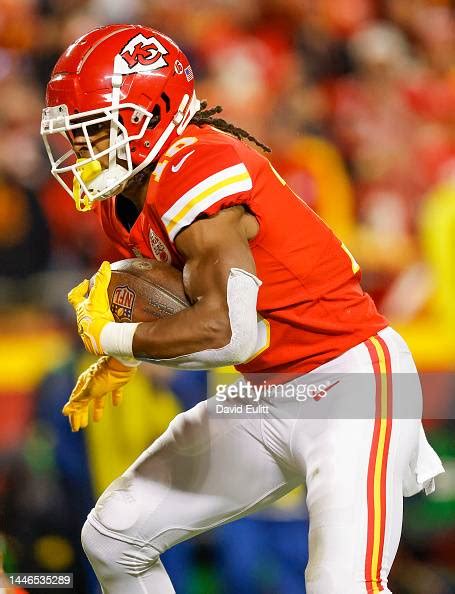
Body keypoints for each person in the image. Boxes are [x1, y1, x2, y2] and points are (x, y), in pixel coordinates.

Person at [41, 24, 444, 594]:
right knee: (114, 538)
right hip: (265, 391)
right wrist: (128, 354)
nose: (80, 150)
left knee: (341, 583)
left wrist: (114, 339)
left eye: (91, 131)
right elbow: (220, 324)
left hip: (351, 383)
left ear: (143, 117)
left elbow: (227, 330)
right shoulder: (125, 198)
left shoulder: (196, 166)